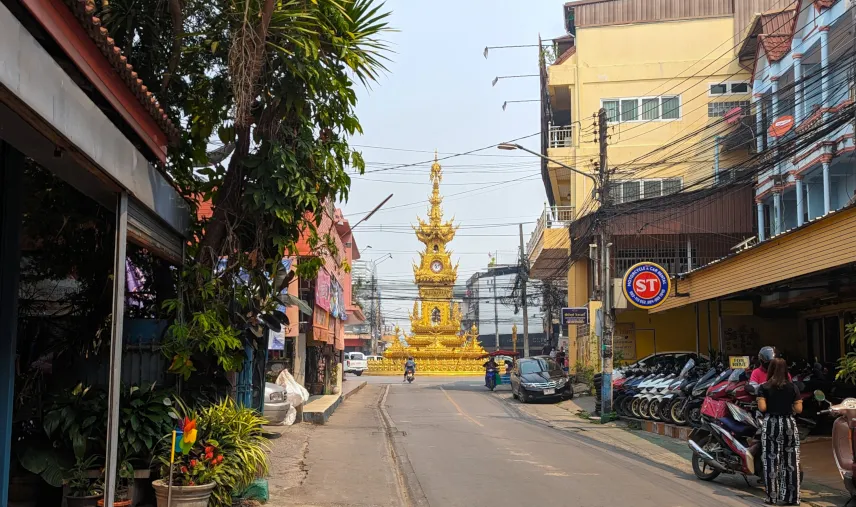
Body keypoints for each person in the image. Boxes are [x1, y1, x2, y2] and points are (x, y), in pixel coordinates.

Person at [758, 357, 803, 506]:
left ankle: (772, 497)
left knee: (771, 460)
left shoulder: (764, 387)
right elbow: (799, 409)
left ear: (770, 369)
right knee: (791, 460)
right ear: (786, 370)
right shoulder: (793, 387)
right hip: (789, 423)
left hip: (771, 423)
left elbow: (762, 408)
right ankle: (792, 498)